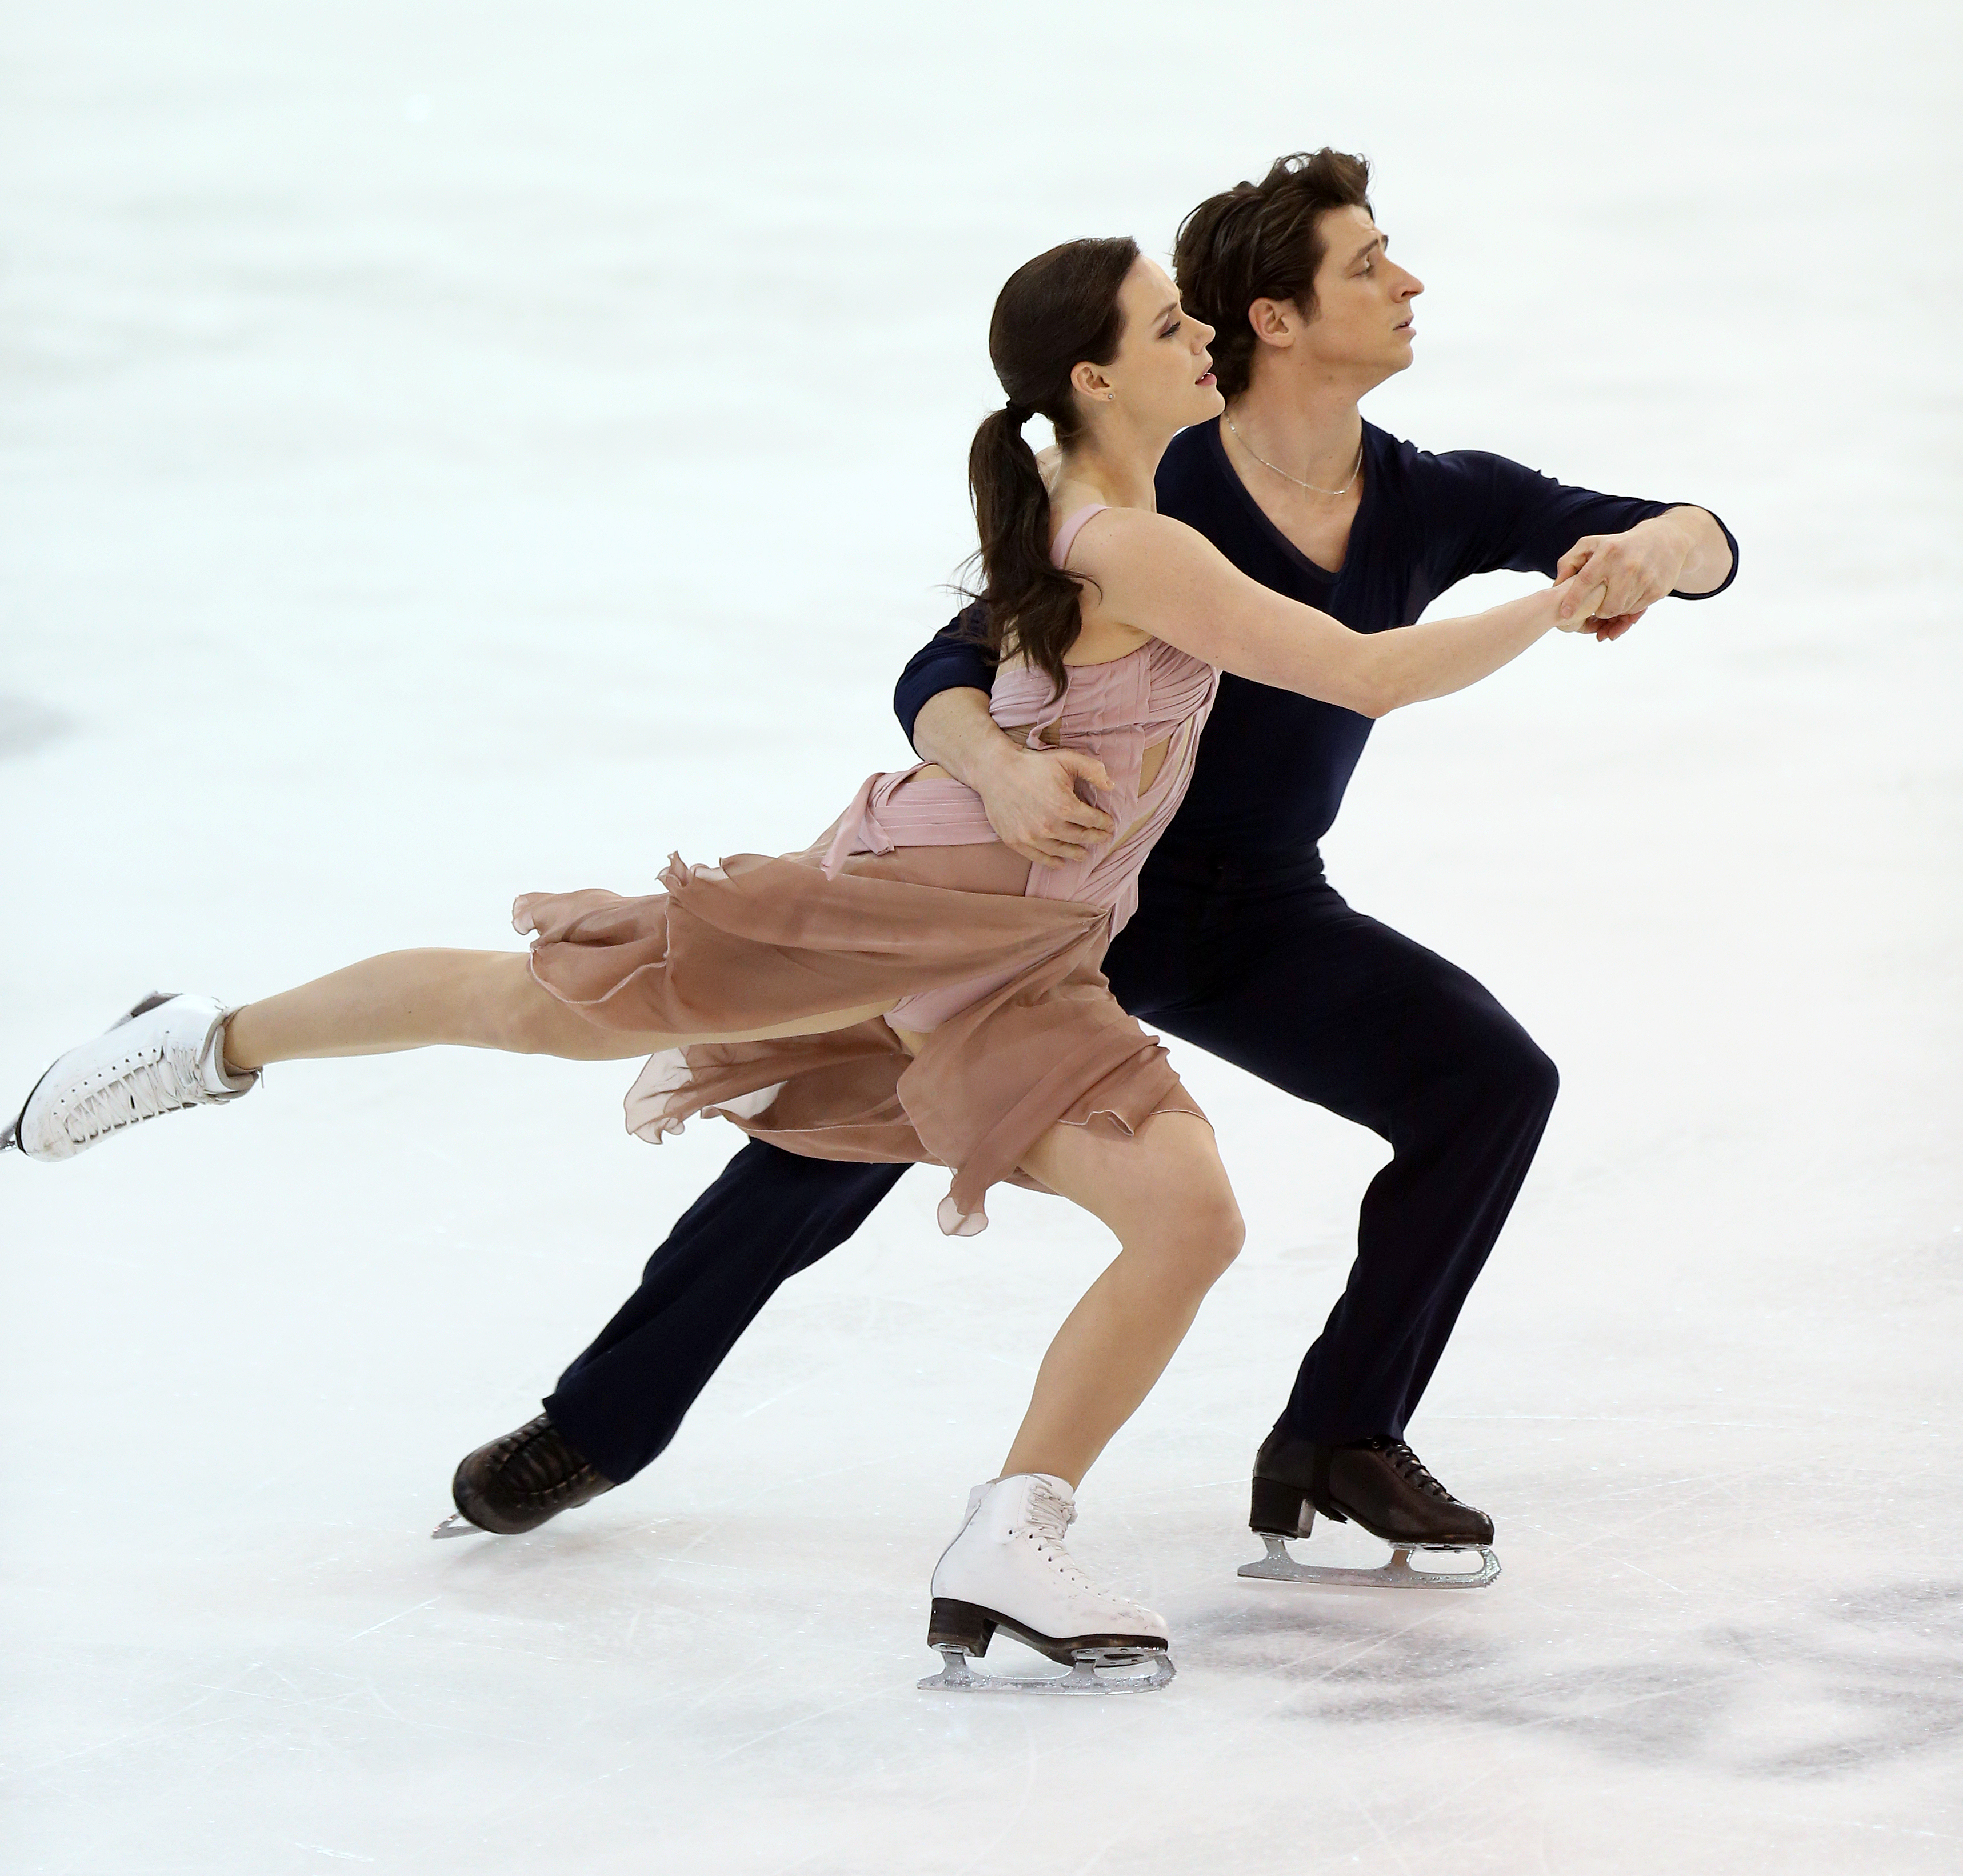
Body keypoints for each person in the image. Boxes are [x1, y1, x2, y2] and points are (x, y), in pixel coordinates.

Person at [5, 231, 1588, 1689]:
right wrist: (1562, 598)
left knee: (1183, 1213)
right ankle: (203, 1042)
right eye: (1168, 328)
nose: (1197, 346)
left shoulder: (1107, 514)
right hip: (894, 914)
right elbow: (1364, 673)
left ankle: (1013, 1531)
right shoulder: (1135, 544)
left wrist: (1002, 751)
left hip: (1030, 958)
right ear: (1095, 378)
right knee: (531, 1006)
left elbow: (1003, 672)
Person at [441, 150, 1738, 1590]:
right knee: (822, 1139)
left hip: (1244, 908)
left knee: (1486, 1080)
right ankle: (595, 1423)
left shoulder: (1435, 500)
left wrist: (1661, 551)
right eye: (1368, 261)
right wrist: (994, 766)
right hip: (1037, 899)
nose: (1408, 279)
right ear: (1274, 319)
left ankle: (1339, 1434)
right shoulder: (1149, 478)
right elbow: (944, 664)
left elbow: (1692, 533)